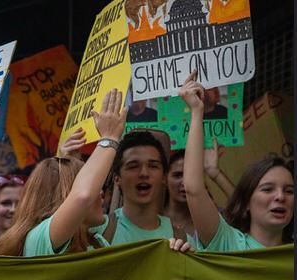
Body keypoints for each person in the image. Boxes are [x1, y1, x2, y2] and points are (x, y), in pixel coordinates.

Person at [0, 89, 128, 256]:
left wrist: (66, 164)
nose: (99, 192)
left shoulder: (93, 237)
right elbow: (82, 196)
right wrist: (109, 138)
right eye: (94, 185)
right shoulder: (39, 238)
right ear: (65, 197)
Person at [179, 71, 294, 250]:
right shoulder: (228, 243)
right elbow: (193, 189)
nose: (280, 197)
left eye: (289, 191)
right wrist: (196, 111)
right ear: (246, 203)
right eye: (268, 189)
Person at [100, 130, 174, 245]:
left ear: (164, 177)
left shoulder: (182, 240)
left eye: (153, 166)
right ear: (117, 179)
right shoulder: (98, 232)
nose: (144, 173)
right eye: (133, 166)